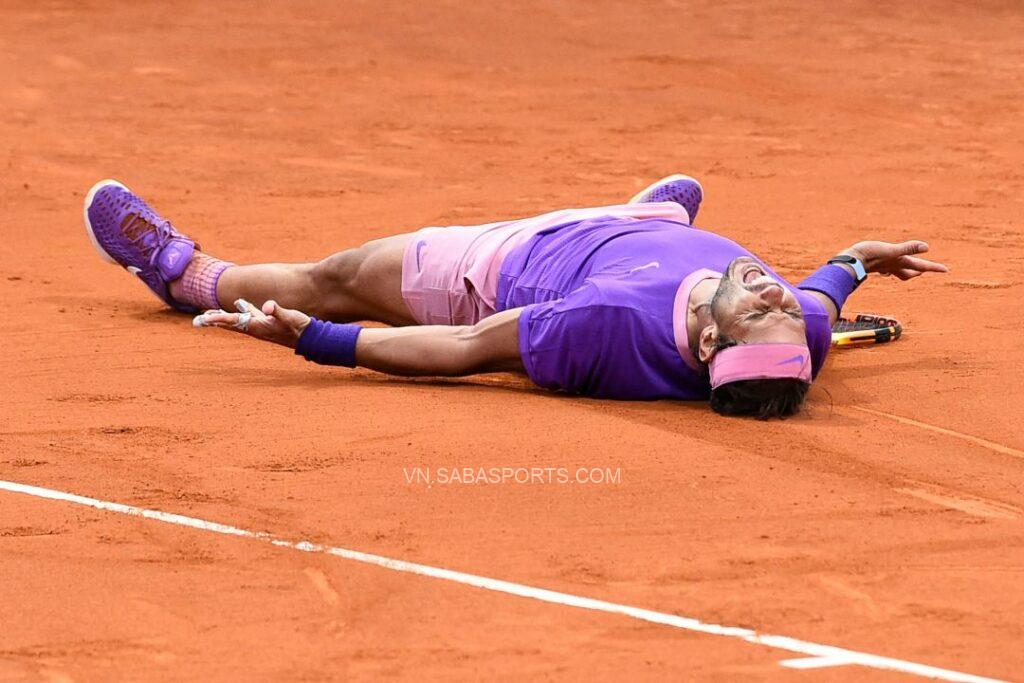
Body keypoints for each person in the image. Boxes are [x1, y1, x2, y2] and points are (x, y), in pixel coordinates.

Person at [82, 175, 947, 418]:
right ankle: (651, 214)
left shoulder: (598, 329)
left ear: (711, 346)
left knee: (344, 275)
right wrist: (852, 261)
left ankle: (182, 271)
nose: (774, 292)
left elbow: (463, 352)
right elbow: (819, 298)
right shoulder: (797, 336)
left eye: (759, 306)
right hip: (631, 240)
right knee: (674, 204)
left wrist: (317, 339)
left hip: (505, 265)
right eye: (780, 307)